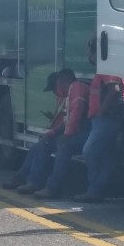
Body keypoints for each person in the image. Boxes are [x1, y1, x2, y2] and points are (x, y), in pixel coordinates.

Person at [74, 35, 124, 203]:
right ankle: (97, 189)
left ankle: (95, 188)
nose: (89, 56)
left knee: (89, 152)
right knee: (105, 156)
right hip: (106, 119)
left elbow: (114, 90)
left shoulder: (107, 68)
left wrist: (101, 111)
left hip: (105, 120)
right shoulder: (111, 67)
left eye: (91, 52)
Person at [2, 71, 68, 193]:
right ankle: (21, 177)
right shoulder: (63, 99)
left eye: (54, 89)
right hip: (64, 132)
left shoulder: (70, 97)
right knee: (36, 147)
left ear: (60, 84)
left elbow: (69, 122)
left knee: (44, 145)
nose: (54, 93)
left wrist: (52, 133)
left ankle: (34, 182)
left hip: (70, 133)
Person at [31, 69, 91, 199]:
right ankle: (35, 183)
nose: (56, 91)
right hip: (79, 132)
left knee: (64, 146)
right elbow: (67, 121)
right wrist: (53, 133)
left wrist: (67, 135)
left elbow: (77, 112)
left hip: (88, 132)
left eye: (57, 86)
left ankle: (52, 187)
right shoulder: (69, 94)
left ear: (64, 81)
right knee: (44, 143)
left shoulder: (77, 88)